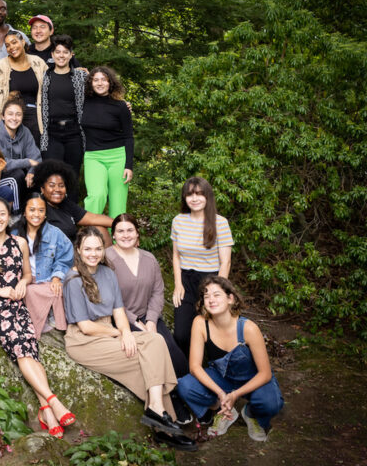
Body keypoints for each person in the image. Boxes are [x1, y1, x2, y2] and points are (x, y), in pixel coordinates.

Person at [63, 227, 196, 451]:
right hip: (84, 340)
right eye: (87, 249)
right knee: (145, 359)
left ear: (104, 251)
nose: (93, 254)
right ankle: (164, 425)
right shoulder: (73, 279)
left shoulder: (108, 273)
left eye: (98, 248)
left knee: (154, 341)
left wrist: (126, 332)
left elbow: (119, 312)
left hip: (109, 329)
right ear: (78, 250)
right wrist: (119, 333)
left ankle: (156, 409)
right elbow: (85, 327)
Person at [0, 198, 76, 438]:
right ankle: (53, 401)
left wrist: (23, 284)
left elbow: (27, 274)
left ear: (9, 216)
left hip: (17, 303)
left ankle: (45, 411)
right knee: (21, 346)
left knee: (29, 348)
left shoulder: (20, 243)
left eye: (2, 214)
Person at [106, 213, 192, 423]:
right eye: (120, 231)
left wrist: (152, 320)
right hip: (124, 319)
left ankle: (189, 394)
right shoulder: (107, 259)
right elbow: (108, 296)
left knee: (174, 353)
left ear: (137, 234)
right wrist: (135, 321)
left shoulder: (148, 258)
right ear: (113, 235)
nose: (126, 235)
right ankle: (172, 400)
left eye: (130, 230)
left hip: (149, 316)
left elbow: (157, 291)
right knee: (155, 352)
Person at [176, 277, 284, 442]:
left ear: (230, 299)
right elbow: (195, 367)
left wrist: (235, 395)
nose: (211, 299)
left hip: (252, 379)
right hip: (222, 379)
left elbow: (265, 374)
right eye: (206, 296)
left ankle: (251, 413)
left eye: (217, 295)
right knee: (185, 386)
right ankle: (223, 410)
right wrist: (220, 393)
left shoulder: (248, 328)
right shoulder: (200, 323)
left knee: (271, 403)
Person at [171, 177, 233, 355]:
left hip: (211, 279)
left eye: (199, 194)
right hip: (186, 280)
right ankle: (186, 372)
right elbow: (176, 256)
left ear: (207, 197)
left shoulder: (220, 222)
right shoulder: (178, 221)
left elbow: (225, 262)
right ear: (185, 198)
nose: (194, 198)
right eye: (190, 194)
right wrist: (178, 284)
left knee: (211, 331)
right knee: (182, 335)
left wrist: (217, 291)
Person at [15, 194, 73, 337]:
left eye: (41, 210)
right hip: (25, 280)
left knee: (57, 289)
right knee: (28, 292)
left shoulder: (55, 233)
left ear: (46, 213)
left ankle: (51, 317)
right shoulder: (14, 233)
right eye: (32, 210)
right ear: (24, 212)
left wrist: (56, 278)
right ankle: (42, 318)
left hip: (46, 278)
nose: (37, 214)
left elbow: (65, 257)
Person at [82, 66, 133, 218]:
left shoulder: (121, 106)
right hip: (93, 157)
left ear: (110, 83)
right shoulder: (83, 103)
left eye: (104, 80)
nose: (100, 83)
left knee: (118, 204)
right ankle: (90, 237)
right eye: (96, 80)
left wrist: (128, 166)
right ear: (91, 83)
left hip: (118, 157)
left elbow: (129, 137)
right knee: (96, 196)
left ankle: (116, 239)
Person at [0, 31, 47, 145]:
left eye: (14, 42)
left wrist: (74, 70)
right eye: (7, 45)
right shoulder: (1, 65)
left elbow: (51, 81)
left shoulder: (37, 62)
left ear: (23, 42)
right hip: (10, 113)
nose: (11, 47)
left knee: (33, 148)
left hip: (34, 113)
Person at [38, 35, 86, 187]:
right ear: (52, 55)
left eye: (65, 52)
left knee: (72, 177)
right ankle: (53, 211)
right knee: (52, 176)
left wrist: (122, 102)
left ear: (71, 54)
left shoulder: (81, 76)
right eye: (58, 52)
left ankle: (70, 211)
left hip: (74, 132)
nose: (61, 55)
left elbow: (101, 91)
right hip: (52, 133)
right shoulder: (45, 76)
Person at [32, 159, 112, 244]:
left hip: (73, 248)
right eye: (52, 185)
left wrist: (121, 223)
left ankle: (111, 257)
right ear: (42, 189)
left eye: (61, 186)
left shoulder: (66, 204)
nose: (57, 189)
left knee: (100, 230)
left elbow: (93, 218)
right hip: (53, 252)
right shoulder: (38, 206)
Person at [0, 98, 42, 199]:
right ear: (3, 116)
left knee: (38, 175)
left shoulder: (25, 132)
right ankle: (16, 213)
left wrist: (32, 172)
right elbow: (3, 164)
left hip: (19, 175)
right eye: (10, 114)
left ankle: (35, 210)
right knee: (18, 174)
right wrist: (27, 162)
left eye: (18, 114)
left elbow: (36, 159)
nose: (14, 118)